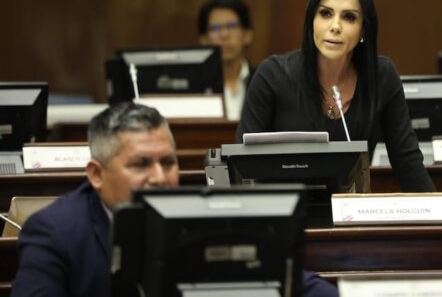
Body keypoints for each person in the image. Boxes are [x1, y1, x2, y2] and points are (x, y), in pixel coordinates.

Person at [12, 102, 338, 297]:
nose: (159, 177)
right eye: (141, 164)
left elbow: (293, 281)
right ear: (96, 174)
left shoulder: (207, 213)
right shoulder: (55, 231)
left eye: (168, 162)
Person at [237, 0, 436, 192]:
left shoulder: (381, 76)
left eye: (349, 17)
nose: (335, 26)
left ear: (363, 28)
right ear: (312, 20)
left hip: (349, 211)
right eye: (325, 13)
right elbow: (242, 168)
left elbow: (407, 163)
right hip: (284, 209)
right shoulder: (273, 76)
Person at [198, 0, 254, 120]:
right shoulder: (196, 86)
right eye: (215, 28)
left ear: (247, 35)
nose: (224, 35)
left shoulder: (263, 80)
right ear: (204, 39)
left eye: (232, 26)